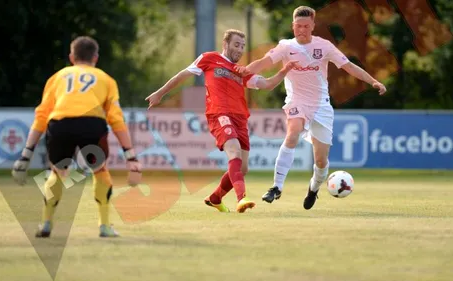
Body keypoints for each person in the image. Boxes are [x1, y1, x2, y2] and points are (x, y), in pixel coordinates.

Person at [235, 6, 386, 210]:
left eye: (306, 26)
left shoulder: (324, 46)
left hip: (321, 107)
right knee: (292, 134)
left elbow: (349, 66)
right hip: (297, 101)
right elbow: (264, 63)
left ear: (313, 26)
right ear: (293, 26)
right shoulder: (285, 46)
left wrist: (373, 81)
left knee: (321, 161)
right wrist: (243, 71)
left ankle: (314, 188)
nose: (302, 30)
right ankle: (276, 187)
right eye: (298, 26)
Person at [146, 29, 297, 213]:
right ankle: (242, 198)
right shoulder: (210, 58)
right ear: (225, 44)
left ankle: (215, 198)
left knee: (243, 167)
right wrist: (160, 93)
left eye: (242, 46)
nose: (240, 49)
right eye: (236, 45)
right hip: (219, 114)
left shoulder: (241, 71)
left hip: (240, 118)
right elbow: (182, 75)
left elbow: (267, 84)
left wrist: (285, 69)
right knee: (233, 152)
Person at [12, 36, 142, 238]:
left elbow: (41, 116)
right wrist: (131, 157)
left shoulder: (57, 77)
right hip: (92, 125)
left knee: (57, 172)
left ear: (72, 57)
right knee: (100, 171)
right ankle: (105, 226)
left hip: (60, 124)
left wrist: (26, 154)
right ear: (96, 58)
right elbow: (116, 119)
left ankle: (46, 223)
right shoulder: (106, 79)